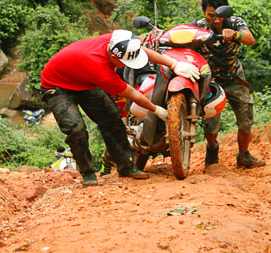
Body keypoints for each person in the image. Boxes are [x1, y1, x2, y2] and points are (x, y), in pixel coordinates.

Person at [40, 29, 200, 185]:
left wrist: (174, 64)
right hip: (56, 86)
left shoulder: (119, 41)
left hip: (84, 80)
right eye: (124, 63)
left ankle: (126, 166)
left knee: (113, 119)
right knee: (76, 129)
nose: (127, 66)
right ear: (113, 56)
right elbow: (132, 94)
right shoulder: (100, 69)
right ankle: (88, 172)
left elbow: (142, 51)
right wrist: (156, 109)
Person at [196, 0, 266, 169]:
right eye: (211, 15)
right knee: (210, 121)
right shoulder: (197, 27)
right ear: (204, 12)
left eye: (220, 15)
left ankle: (244, 155)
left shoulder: (235, 22)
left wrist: (235, 35)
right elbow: (180, 38)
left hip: (235, 78)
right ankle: (212, 150)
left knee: (246, 117)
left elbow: (251, 39)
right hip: (211, 81)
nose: (217, 20)